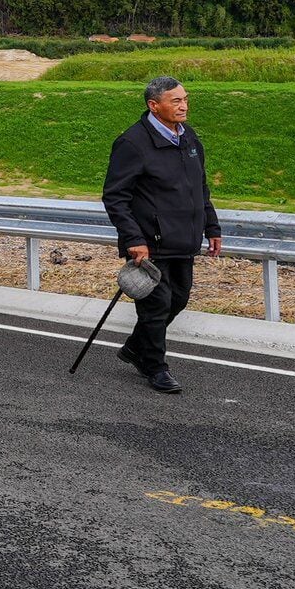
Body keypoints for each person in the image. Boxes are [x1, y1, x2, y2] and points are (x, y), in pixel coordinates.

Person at [101, 76, 223, 395]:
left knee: (178, 299)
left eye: (185, 99)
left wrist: (212, 226)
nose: (184, 105)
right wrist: (133, 239)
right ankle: (155, 366)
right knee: (156, 305)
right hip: (148, 242)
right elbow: (115, 196)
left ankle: (134, 348)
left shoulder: (190, 138)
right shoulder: (132, 143)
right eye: (176, 101)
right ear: (154, 106)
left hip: (184, 237)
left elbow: (201, 187)